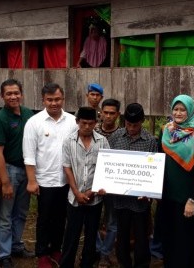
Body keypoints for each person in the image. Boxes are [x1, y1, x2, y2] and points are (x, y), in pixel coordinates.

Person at [23, 83, 77, 268]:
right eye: (50, 99)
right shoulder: (34, 122)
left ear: (63, 99)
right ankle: (43, 254)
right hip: (44, 180)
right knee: (44, 218)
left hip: (66, 180)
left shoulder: (72, 121)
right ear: (43, 100)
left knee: (61, 218)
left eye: (57, 99)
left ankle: (56, 249)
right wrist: (31, 180)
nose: (54, 103)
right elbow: (29, 154)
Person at [106, 103, 158, 268]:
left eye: (135, 125)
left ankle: (142, 264)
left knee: (142, 235)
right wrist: (107, 184)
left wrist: (149, 191)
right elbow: (109, 164)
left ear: (142, 121)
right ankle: (124, 263)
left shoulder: (150, 141)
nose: (132, 128)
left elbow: (153, 170)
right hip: (120, 199)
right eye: (128, 124)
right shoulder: (115, 137)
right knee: (122, 234)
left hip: (140, 201)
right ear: (124, 121)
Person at [159, 95, 194, 267]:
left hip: (186, 198)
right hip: (166, 195)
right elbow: (158, 161)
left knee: (186, 240)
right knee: (168, 237)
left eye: (182, 110)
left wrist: (193, 199)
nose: (178, 113)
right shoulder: (166, 130)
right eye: (175, 109)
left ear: (190, 111)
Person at [0, 79, 35, 267]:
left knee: (21, 212)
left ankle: (16, 245)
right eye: (8, 93)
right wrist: (5, 182)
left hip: (28, 169)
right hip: (10, 169)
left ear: (21, 94)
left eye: (16, 92)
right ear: (2, 96)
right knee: (4, 215)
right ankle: (3, 254)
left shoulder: (28, 114)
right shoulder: (0, 119)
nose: (13, 96)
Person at [60, 107, 110, 268]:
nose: (87, 127)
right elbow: (67, 167)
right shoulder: (69, 141)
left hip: (95, 198)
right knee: (71, 234)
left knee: (91, 234)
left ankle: (87, 263)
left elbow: (105, 167)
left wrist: (92, 191)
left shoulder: (102, 141)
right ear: (77, 122)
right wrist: (76, 192)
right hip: (74, 197)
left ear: (96, 123)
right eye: (83, 123)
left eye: (90, 123)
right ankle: (66, 263)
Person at [94, 98, 121, 268]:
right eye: (106, 113)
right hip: (93, 184)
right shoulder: (93, 131)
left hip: (114, 186)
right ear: (101, 113)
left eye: (112, 113)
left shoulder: (123, 134)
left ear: (118, 114)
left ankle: (105, 253)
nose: (108, 116)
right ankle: (95, 249)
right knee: (91, 220)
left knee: (112, 221)